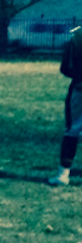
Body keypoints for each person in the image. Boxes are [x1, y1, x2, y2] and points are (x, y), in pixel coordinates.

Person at [49, 27, 82, 186]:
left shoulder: (77, 36)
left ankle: (63, 174)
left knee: (73, 129)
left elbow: (66, 67)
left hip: (80, 89)